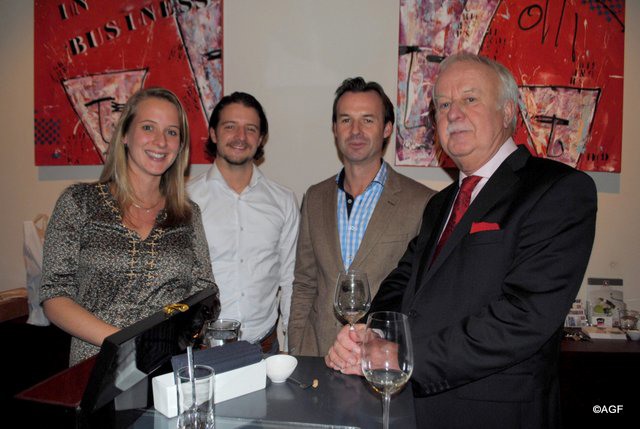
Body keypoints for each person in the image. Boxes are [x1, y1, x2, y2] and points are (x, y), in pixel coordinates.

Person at [325, 53, 597, 428]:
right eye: (442, 105)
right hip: (415, 408)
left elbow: (523, 316)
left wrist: (404, 358)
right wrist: (372, 333)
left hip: (495, 412)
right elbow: (404, 281)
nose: (453, 113)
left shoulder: (556, 190)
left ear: (507, 111)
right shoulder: (441, 204)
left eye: (470, 98)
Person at [41, 87, 220, 366]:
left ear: (180, 146)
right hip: (95, 364)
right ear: (125, 134)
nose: (161, 141)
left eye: (172, 132)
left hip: (166, 368)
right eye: (148, 127)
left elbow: (204, 293)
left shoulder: (188, 214)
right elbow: (54, 295)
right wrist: (127, 344)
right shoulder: (79, 202)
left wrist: (179, 338)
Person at [288, 77, 435, 356]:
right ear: (335, 129)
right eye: (346, 120)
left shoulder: (422, 202)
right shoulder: (315, 197)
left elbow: (420, 297)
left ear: (387, 128)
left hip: (378, 360)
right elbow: (305, 282)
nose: (355, 131)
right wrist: (296, 347)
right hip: (316, 356)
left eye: (368, 120)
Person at [188, 92, 299, 353]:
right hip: (201, 352)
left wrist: (292, 348)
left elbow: (291, 280)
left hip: (265, 350)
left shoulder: (283, 201)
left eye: (250, 129)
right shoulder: (185, 199)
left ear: (260, 139)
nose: (241, 136)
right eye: (230, 127)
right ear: (213, 134)